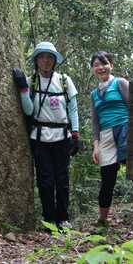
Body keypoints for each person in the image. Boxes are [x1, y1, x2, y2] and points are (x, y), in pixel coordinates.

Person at [12, 42, 80, 230]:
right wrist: (23, 90)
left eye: (50, 57)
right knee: (45, 179)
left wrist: (75, 134)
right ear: (36, 60)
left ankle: (64, 218)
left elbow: (72, 109)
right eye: (42, 56)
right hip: (40, 137)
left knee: (62, 179)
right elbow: (29, 111)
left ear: (54, 60)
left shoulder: (65, 80)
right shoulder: (30, 81)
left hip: (62, 137)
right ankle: (49, 218)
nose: (46, 60)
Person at [90, 50, 133, 225]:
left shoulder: (120, 83)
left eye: (104, 63)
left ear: (111, 66)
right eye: (96, 65)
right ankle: (103, 221)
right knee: (107, 180)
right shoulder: (94, 94)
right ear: (92, 69)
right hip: (105, 136)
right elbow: (96, 123)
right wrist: (96, 146)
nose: (100, 68)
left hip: (125, 130)